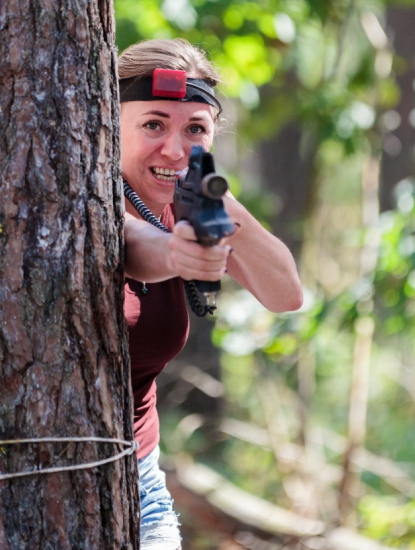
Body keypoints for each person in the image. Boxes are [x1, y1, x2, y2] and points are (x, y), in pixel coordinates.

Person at [119, 38, 303, 549]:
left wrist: (213, 195)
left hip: (140, 483)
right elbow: (132, 243)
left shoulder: (188, 194)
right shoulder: (84, 195)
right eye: (153, 124)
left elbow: (285, 293)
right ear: (107, 124)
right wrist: (180, 255)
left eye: (195, 129)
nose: (173, 149)